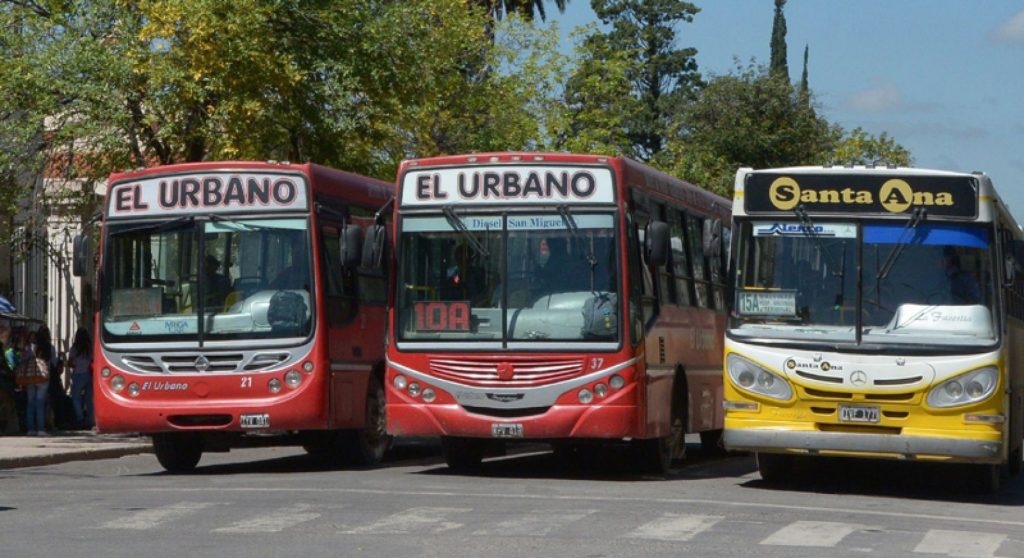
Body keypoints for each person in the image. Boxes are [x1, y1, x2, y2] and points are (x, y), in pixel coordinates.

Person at [24, 326, 56, 436]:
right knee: (40, 403)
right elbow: (54, 363)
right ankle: (41, 429)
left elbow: (24, 360)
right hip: (43, 377)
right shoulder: (50, 348)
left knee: (30, 403)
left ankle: (30, 429)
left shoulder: (32, 347)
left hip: (30, 376)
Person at [66, 328, 94, 429]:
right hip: (89, 375)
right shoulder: (90, 347)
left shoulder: (75, 348)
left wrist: (75, 364)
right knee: (89, 398)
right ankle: (91, 419)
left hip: (78, 374)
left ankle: (80, 418)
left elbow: (70, 363)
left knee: (76, 397)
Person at [0, 326, 19, 435]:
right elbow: (4, 365)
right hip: (3, 380)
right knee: (6, 403)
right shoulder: (4, 349)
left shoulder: (4, 349)